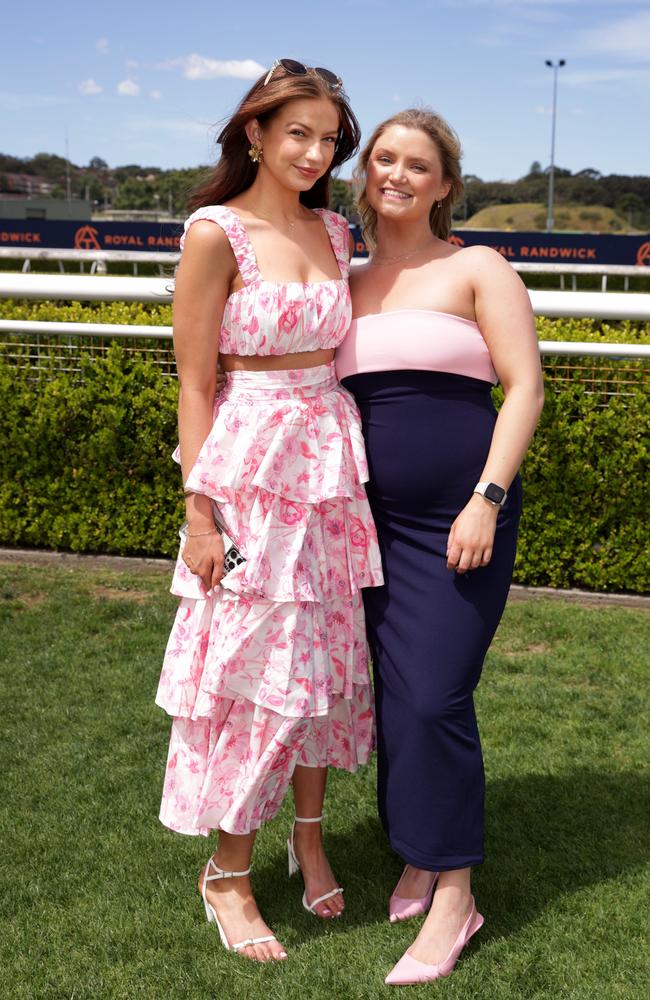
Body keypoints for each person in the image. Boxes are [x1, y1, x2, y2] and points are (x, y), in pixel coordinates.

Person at [155, 60, 383, 964]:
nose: (315, 151)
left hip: (330, 468)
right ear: (254, 133)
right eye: (298, 132)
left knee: (326, 660)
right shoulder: (216, 234)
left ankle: (311, 837)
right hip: (249, 472)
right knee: (255, 671)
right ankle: (228, 872)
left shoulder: (337, 229)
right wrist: (200, 512)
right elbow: (194, 379)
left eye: (329, 138)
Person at [336, 108, 544, 985]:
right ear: (366, 171)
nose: (398, 174)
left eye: (418, 164)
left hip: (460, 520)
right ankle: (417, 849)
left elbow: (527, 385)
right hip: (360, 524)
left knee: (434, 697)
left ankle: (456, 896)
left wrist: (486, 500)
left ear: (446, 183)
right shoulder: (340, 277)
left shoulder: (476, 266)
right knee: (394, 697)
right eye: (384, 158)